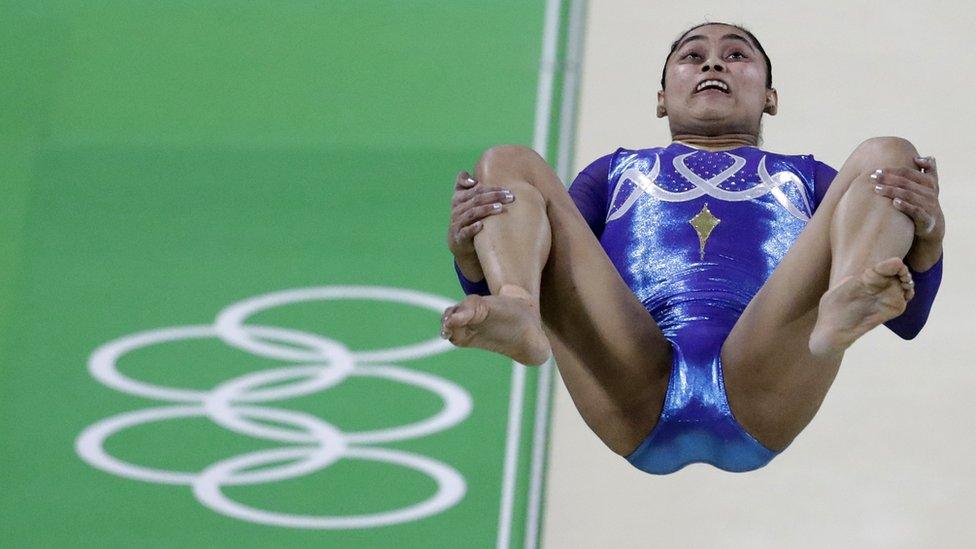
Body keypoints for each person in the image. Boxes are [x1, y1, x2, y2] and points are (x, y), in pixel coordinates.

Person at [440, 22, 945, 474]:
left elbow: (907, 318)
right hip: (631, 367)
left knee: (888, 157)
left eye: (737, 54)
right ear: (662, 98)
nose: (713, 62)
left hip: (767, 365)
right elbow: (551, 257)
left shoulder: (807, 178)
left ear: (770, 96)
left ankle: (841, 302)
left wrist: (929, 237)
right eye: (691, 55)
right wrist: (472, 260)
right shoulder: (614, 173)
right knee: (508, 162)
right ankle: (518, 306)